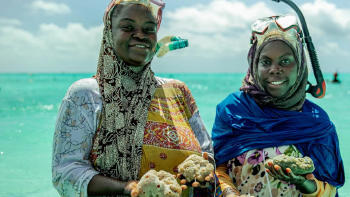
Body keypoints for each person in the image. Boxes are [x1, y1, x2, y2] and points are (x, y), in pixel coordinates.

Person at [51, 0, 213, 196]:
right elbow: (65, 173)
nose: (140, 35)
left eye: (149, 29)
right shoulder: (86, 94)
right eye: (127, 27)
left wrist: (202, 176)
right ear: (109, 33)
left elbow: (207, 153)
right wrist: (128, 188)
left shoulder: (178, 92)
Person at [212, 15, 344, 197]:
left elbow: (330, 189)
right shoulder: (232, 109)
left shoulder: (317, 121)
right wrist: (230, 193)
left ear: (300, 65)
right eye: (266, 62)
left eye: (285, 61)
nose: (275, 69)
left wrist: (305, 184)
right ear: (254, 64)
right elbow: (217, 168)